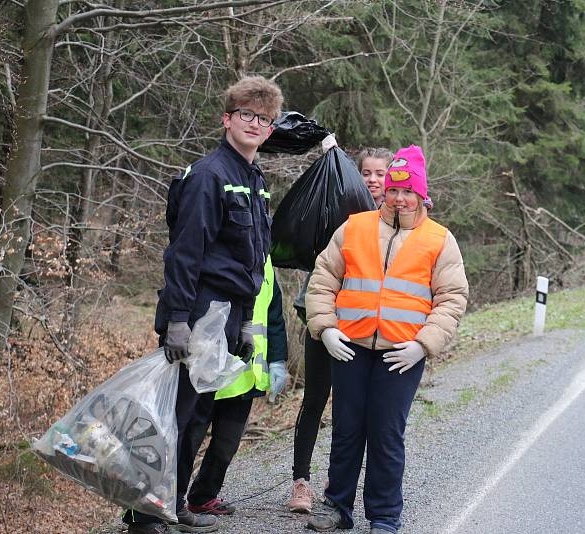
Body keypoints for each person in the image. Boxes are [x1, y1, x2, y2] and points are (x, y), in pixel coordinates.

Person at [124, 76, 283, 534]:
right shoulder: (208, 175)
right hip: (198, 312)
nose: (255, 124)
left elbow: (252, 260)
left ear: (270, 129)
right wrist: (176, 320)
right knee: (175, 418)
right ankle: (143, 517)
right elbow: (185, 254)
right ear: (227, 119)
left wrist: (249, 324)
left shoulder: (254, 179)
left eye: (264, 119)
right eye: (247, 115)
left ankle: (172, 506)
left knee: (197, 417)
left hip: (228, 315)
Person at [304, 145, 468, 534]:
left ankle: (385, 515)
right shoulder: (354, 227)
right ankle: (337, 507)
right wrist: (325, 328)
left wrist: (424, 344)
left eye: (407, 190)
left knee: (386, 434)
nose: (398, 197)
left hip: (401, 353)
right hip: (351, 347)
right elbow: (323, 279)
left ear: (421, 194)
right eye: (393, 189)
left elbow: (452, 298)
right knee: (346, 429)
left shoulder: (439, 240)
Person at [288, 148, 393, 513]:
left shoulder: (401, 226)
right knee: (315, 399)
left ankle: (339, 481)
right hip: (327, 325)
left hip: (366, 334)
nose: (373, 180)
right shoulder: (339, 214)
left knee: (354, 410)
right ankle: (301, 482)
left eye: (381, 173)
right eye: (366, 172)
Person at [182, 256, 288, 516]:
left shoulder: (267, 268)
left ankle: (203, 497)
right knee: (188, 442)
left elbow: (274, 319)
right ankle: (169, 501)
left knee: (226, 445)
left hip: (245, 376)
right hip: (211, 374)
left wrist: (278, 361)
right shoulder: (225, 259)